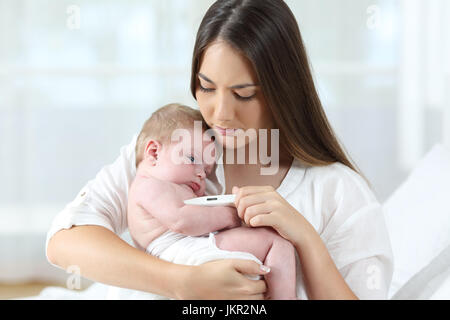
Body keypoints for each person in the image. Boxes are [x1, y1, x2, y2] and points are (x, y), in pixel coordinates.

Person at [46, 0, 393, 300]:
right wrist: (184, 283)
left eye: (243, 94)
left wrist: (305, 237)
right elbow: (65, 242)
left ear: (283, 91)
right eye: (207, 87)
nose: (221, 114)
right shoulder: (176, 150)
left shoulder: (337, 192)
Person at [125, 103, 296, 300]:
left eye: (207, 171)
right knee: (274, 243)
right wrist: (230, 215)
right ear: (154, 152)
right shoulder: (148, 185)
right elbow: (181, 221)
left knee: (275, 244)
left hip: (193, 248)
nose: (200, 174)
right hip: (179, 252)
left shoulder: (173, 186)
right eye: (191, 158)